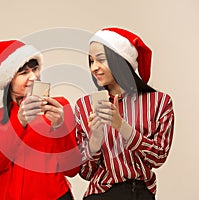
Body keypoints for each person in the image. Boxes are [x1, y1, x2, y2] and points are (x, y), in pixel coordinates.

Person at [75, 27, 175, 200]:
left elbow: (158, 157)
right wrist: (95, 139)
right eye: (91, 61)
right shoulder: (84, 106)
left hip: (141, 193)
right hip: (101, 194)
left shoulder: (159, 102)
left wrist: (121, 126)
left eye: (101, 60)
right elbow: (86, 172)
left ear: (121, 60)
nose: (94, 68)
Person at [0, 40, 80, 200]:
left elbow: (72, 170)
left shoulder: (59, 106)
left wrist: (60, 126)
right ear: (7, 81)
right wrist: (20, 122)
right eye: (23, 73)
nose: (33, 77)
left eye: (35, 69)